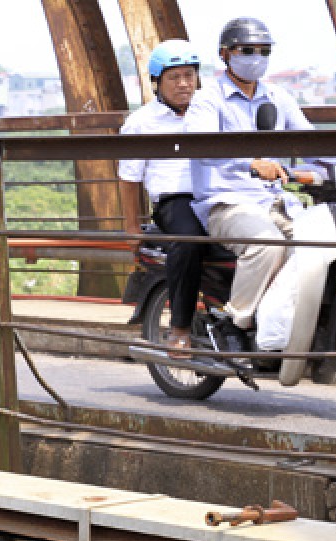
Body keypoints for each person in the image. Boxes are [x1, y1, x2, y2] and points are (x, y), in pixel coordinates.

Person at [184, 16, 313, 373]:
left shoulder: (277, 96)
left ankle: (283, 329)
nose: (256, 57)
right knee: (266, 243)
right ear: (225, 54)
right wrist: (250, 163)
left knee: (317, 243)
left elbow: (309, 139)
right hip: (226, 202)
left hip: (274, 200)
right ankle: (233, 323)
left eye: (263, 51)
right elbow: (203, 148)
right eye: (247, 50)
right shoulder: (207, 99)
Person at [118, 39, 205, 356]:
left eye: (189, 75)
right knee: (188, 238)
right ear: (157, 82)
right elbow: (129, 178)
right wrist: (131, 228)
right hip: (175, 201)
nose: (184, 84)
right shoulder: (141, 122)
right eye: (174, 77)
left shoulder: (208, 112)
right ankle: (179, 327)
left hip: (214, 195)